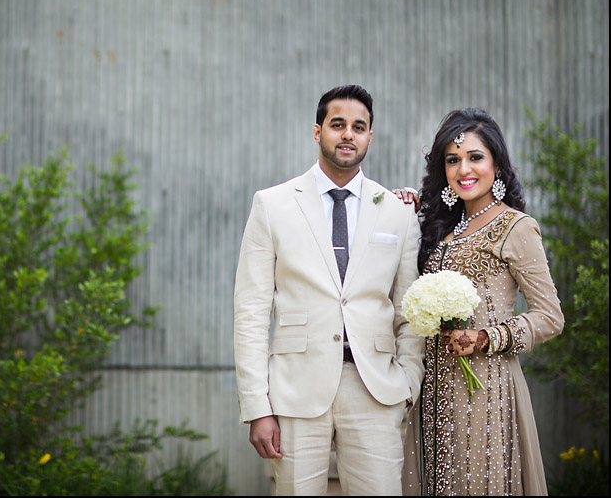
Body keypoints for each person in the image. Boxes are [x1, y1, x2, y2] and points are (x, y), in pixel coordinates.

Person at [233, 84, 425, 495]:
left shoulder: (397, 211)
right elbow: (250, 312)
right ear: (317, 131)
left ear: (370, 136)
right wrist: (257, 407)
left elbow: (408, 309)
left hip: (376, 389)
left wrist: (409, 384)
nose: (348, 134)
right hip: (295, 390)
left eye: (359, 127)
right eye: (338, 125)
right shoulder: (273, 204)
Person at [401, 108, 564, 496]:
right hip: (431, 393)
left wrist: (487, 337)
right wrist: (402, 210)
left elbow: (550, 317)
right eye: (453, 160)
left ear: (496, 163)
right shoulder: (442, 227)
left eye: (475, 157)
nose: (464, 169)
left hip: (484, 392)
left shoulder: (515, 226)